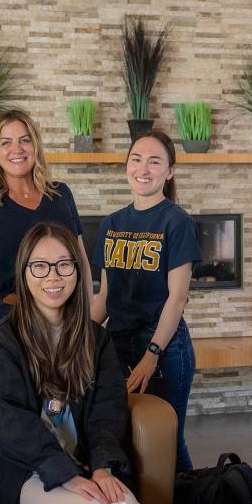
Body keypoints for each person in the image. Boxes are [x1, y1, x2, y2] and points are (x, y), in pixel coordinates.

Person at [0, 222, 145, 504]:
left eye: (64, 265)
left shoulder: (96, 339)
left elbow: (107, 412)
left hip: (82, 463)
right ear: (24, 273)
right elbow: (8, 425)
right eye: (40, 266)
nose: (53, 276)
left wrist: (102, 467)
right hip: (21, 470)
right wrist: (67, 475)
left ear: (78, 271)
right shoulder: (1, 343)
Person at [91, 130, 201, 473]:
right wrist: (77, 338)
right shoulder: (111, 224)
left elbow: (177, 298)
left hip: (164, 347)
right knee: (123, 435)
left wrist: (152, 354)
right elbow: (105, 296)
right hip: (116, 344)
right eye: (136, 159)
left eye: (155, 161)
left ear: (170, 171)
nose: (143, 168)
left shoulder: (177, 222)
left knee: (166, 441)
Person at [0, 108, 88, 333]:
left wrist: (88, 310)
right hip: (5, 315)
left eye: (25, 140)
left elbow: (80, 258)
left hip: (65, 312)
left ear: (35, 146)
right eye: (6, 142)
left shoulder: (61, 194)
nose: (17, 149)